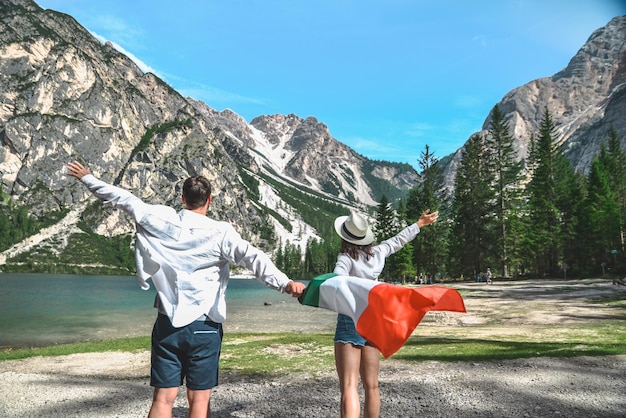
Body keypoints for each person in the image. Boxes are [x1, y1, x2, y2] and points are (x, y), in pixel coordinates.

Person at [66, 161, 305, 418]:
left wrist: (88, 178)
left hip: (167, 323)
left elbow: (123, 199)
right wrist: (284, 283)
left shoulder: (161, 219)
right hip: (205, 326)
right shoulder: (221, 232)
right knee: (199, 401)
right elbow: (254, 258)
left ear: (183, 198)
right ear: (209, 200)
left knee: (163, 399)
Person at [331, 210, 439, 418]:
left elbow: (337, 280)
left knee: (349, 386)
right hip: (375, 320)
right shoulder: (378, 253)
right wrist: (419, 224)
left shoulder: (345, 258)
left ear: (345, 237)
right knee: (372, 386)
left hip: (350, 320)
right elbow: (398, 240)